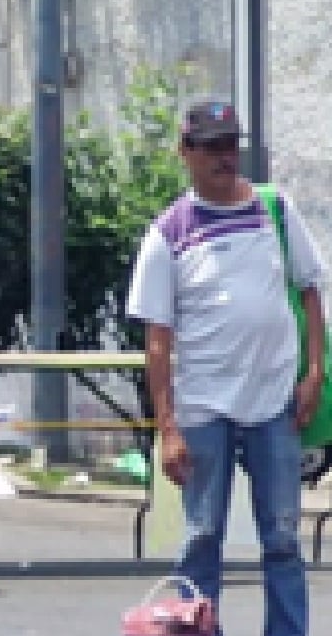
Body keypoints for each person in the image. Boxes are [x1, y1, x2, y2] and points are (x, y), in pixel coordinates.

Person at [127, 99, 325, 636]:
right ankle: (199, 630)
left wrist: (313, 374)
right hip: (204, 408)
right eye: (211, 146)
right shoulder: (168, 232)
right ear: (185, 153)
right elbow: (157, 344)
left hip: (274, 406)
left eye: (230, 144)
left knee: (283, 538)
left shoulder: (276, 210)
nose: (224, 156)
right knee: (201, 539)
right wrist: (166, 428)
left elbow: (310, 291)